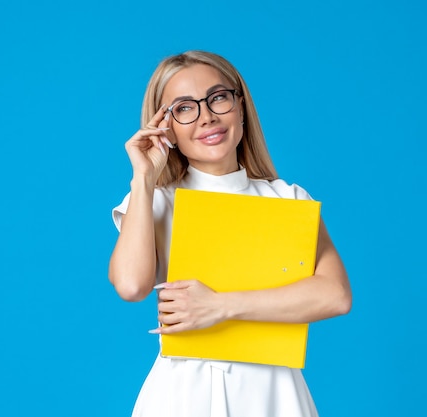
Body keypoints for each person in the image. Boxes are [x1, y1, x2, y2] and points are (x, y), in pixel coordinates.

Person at [108, 50, 352, 417]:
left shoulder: (287, 198)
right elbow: (130, 285)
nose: (206, 117)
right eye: (184, 108)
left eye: (217, 98)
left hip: (275, 393)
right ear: (166, 126)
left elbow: (335, 295)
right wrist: (144, 177)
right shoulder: (156, 201)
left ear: (239, 105)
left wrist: (220, 306)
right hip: (184, 394)